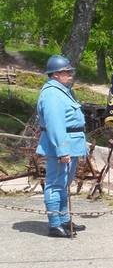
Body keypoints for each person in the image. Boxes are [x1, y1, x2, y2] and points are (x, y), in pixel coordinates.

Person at [36, 55, 87, 238]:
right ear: (56, 74)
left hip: (70, 145)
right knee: (55, 184)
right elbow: (55, 124)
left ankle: (64, 220)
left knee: (64, 184)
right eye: (67, 71)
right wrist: (62, 150)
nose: (70, 74)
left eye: (70, 71)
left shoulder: (63, 91)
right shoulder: (52, 94)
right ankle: (54, 225)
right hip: (61, 146)